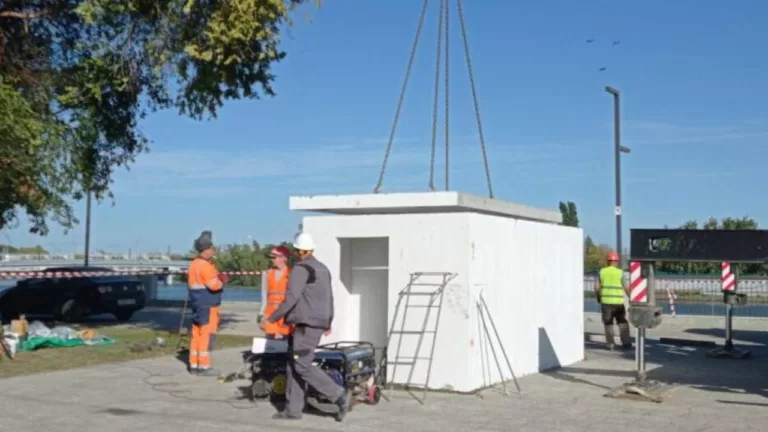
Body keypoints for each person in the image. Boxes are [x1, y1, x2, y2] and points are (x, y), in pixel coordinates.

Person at [260, 232, 350, 422]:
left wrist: (272, 318)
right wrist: (328, 321)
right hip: (316, 322)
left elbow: (291, 297)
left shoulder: (301, 268)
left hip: (306, 324)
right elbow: (329, 297)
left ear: (299, 251)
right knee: (294, 364)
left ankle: (338, 395)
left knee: (301, 364)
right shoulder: (323, 268)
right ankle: (293, 409)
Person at [187, 230, 229, 376]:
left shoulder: (193, 264)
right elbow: (214, 285)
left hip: (197, 303)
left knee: (196, 333)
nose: (213, 251)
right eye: (211, 249)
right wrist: (222, 281)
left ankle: (193, 363)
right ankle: (204, 366)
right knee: (206, 334)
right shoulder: (206, 266)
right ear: (205, 250)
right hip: (208, 304)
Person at [594, 251, 632, 350]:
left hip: (606, 302)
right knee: (622, 322)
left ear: (608, 261)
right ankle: (626, 343)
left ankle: (610, 344)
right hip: (618, 303)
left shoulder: (602, 271)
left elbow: (596, 287)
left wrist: (598, 297)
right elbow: (627, 287)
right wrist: (631, 298)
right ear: (616, 261)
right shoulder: (620, 273)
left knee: (608, 323)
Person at [258, 245, 293, 352]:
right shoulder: (267, 274)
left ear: (284, 258)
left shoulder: (292, 273)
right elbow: (264, 296)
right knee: (271, 349)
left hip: (286, 317)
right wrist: (261, 315)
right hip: (271, 317)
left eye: (275, 257)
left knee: (286, 348)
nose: (272, 260)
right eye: (271, 257)